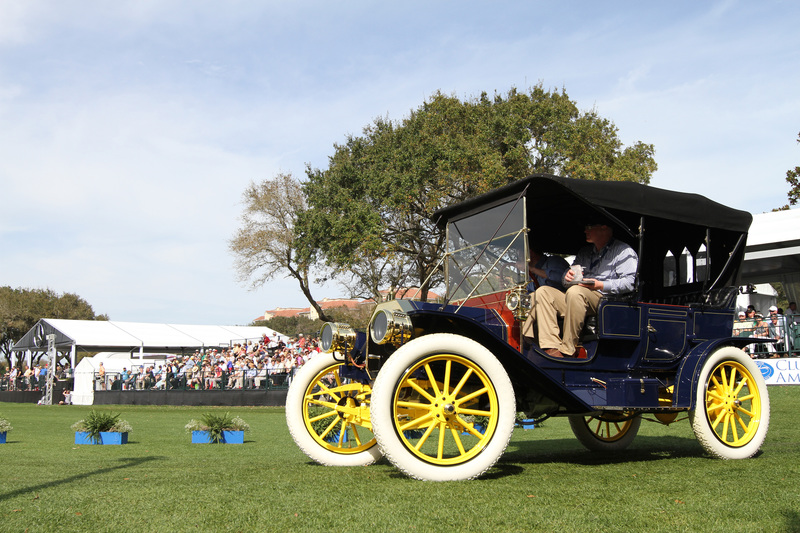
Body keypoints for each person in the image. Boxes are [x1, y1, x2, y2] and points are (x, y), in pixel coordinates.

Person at [534, 222, 638, 358]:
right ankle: (551, 347)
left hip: (606, 300)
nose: (585, 231)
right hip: (578, 296)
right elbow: (567, 281)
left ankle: (568, 348)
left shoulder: (623, 250)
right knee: (543, 292)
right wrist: (567, 277)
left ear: (604, 227)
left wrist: (600, 285)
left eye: (589, 228)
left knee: (575, 292)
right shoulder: (585, 252)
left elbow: (630, 283)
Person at [521, 249, 570, 340]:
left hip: (567, 302)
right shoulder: (531, 275)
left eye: (520, 256)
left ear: (530, 253)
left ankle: (551, 344)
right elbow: (528, 291)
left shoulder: (554, 261)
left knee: (542, 292)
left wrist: (532, 269)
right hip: (544, 304)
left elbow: (563, 279)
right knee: (524, 300)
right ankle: (526, 340)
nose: (519, 260)